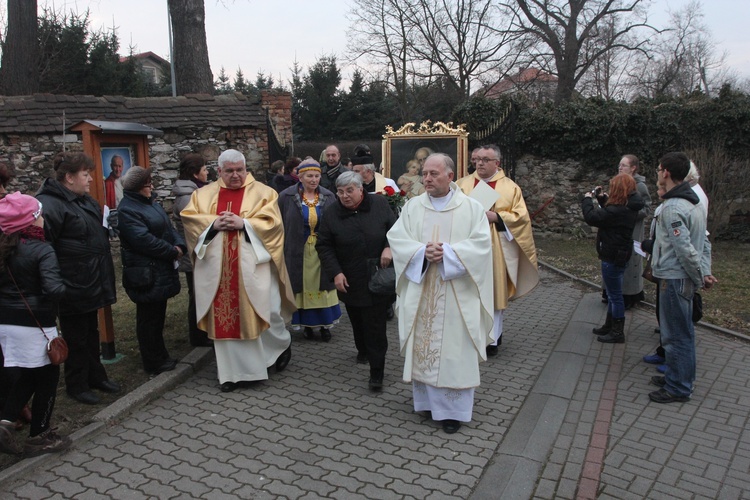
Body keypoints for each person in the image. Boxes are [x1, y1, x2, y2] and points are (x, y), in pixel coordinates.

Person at [387, 153, 494, 434]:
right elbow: (397, 239)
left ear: (450, 175)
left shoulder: (470, 208)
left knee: (453, 352)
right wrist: (422, 252)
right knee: (425, 347)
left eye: (434, 174)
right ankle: (426, 404)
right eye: (424, 173)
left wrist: (447, 252)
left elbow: (482, 245)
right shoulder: (412, 207)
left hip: (457, 292)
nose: (427, 178)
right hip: (422, 288)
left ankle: (453, 412)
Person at [180, 149, 295, 393]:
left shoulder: (265, 193)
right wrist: (213, 224)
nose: (235, 176)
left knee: (268, 312)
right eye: (229, 171)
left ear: (246, 168)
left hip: (254, 268)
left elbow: (274, 226)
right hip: (218, 273)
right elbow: (190, 220)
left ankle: (281, 346)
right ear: (219, 171)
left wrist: (246, 224)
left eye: (240, 170)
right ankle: (231, 374)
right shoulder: (202, 195)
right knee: (225, 318)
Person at [36, 152, 120, 405]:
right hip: (71, 282)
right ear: (69, 178)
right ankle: (77, 384)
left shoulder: (83, 201)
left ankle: (96, 375)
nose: (90, 179)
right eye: (85, 175)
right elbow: (44, 247)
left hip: (90, 278)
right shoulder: (50, 204)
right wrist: (56, 282)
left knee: (90, 331)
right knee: (75, 336)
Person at [0, 193, 71, 457]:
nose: (43, 219)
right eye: (39, 214)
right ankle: (39, 435)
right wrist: (69, 288)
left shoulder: (5, 246)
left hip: (6, 323)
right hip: (35, 324)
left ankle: (5, 423)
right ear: (30, 220)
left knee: (29, 375)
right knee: (48, 378)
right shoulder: (41, 249)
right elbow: (53, 288)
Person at [455, 144, 539, 356]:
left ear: (497, 163)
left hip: (496, 252)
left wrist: (498, 217)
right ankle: (467, 336)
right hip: (466, 248)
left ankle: (491, 340)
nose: (480, 163)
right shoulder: (461, 185)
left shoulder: (510, 188)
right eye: (478, 159)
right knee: (467, 292)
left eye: (485, 159)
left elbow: (522, 218)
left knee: (493, 294)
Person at [316, 171, 396, 391]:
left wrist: (389, 246)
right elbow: (324, 245)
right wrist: (335, 273)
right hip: (349, 276)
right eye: (340, 192)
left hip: (378, 274)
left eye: (349, 190)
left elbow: (396, 229)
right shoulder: (332, 213)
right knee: (357, 319)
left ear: (361, 189)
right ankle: (362, 349)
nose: (344, 196)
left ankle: (377, 371)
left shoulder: (379, 204)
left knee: (376, 326)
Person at [648, 152, 715, 404]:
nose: (657, 173)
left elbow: (685, 250)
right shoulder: (693, 202)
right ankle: (678, 377)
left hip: (675, 280)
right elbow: (705, 244)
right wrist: (705, 272)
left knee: (676, 336)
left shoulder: (673, 207)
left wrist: (699, 277)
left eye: (657, 169)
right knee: (679, 333)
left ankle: (678, 387)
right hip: (680, 278)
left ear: (665, 172)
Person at [118, 166, 187, 374]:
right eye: (149, 184)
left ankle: (161, 355)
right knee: (148, 320)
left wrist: (179, 245)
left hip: (159, 270)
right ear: (140, 187)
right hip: (146, 273)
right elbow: (143, 240)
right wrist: (171, 251)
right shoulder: (127, 209)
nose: (152, 186)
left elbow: (168, 227)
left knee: (158, 317)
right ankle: (153, 361)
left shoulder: (150, 203)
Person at [278, 158, 341, 341]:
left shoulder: (329, 196)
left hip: (323, 249)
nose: (314, 180)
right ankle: (306, 325)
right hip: (298, 249)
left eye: (316, 176)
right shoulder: (286, 196)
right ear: (300, 177)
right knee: (302, 286)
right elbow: (279, 222)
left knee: (324, 285)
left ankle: (324, 325)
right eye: (309, 176)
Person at [583, 173, 645, 343]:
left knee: (615, 295)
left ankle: (617, 331)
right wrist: (602, 200)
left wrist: (587, 199)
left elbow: (593, 217)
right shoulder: (629, 207)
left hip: (613, 255)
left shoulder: (619, 211)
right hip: (620, 254)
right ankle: (610, 325)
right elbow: (610, 214)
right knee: (612, 293)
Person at [172, 153, 212, 347]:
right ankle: (198, 337)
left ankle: (204, 332)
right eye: (204, 169)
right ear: (196, 174)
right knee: (197, 297)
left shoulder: (197, 192)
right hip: (194, 254)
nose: (207, 172)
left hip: (199, 252)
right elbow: (197, 227)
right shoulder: (188, 197)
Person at [617, 155, 652, 309]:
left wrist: (629, 215)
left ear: (633, 168)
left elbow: (646, 208)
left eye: (624, 165)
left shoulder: (640, 186)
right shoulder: (617, 182)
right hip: (617, 230)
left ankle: (631, 296)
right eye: (619, 165)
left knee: (631, 262)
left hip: (632, 230)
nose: (620, 168)